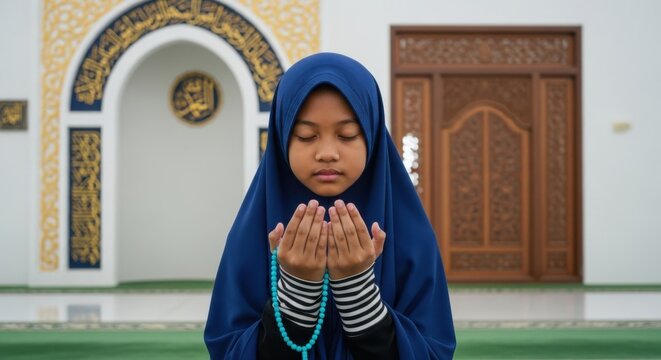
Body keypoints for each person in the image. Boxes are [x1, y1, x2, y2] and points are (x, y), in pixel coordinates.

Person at [204, 52, 456, 359]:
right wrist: (296, 290)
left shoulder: (411, 236)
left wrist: (357, 291)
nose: (326, 153)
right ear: (283, 138)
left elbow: (433, 350)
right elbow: (227, 348)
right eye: (306, 135)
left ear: (372, 137)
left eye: (347, 135)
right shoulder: (252, 233)